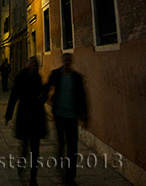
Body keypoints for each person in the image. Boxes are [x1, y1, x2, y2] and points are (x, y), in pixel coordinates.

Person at [45, 53, 88, 186]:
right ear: (62, 62)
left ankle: (70, 177)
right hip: (59, 115)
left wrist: (84, 115)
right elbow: (47, 87)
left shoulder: (77, 77)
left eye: (69, 60)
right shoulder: (56, 74)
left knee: (72, 147)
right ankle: (60, 167)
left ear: (71, 62)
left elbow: (82, 96)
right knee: (61, 144)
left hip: (72, 116)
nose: (67, 62)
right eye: (65, 60)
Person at [5, 56, 46, 186]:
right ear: (27, 64)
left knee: (35, 149)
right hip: (24, 115)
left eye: (35, 64)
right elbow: (14, 96)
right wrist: (8, 115)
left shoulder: (37, 78)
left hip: (36, 117)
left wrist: (44, 95)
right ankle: (22, 163)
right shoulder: (20, 77)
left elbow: (41, 95)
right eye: (31, 63)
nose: (33, 66)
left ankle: (33, 177)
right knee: (24, 145)